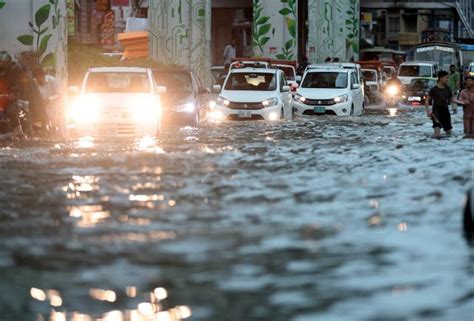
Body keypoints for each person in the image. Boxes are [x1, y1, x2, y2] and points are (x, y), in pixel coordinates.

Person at [424, 71, 463, 138]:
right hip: (436, 113)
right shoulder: (434, 89)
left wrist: (463, 103)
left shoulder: (448, 89)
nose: (447, 80)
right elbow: (427, 100)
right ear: (441, 78)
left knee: (449, 134)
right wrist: (428, 111)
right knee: (437, 135)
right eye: (446, 78)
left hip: (446, 112)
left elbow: (452, 99)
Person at [0, 51, 23, 137]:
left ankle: (18, 131)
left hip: (8, 99)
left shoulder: (14, 72)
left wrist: (13, 94)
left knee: (11, 110)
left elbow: (16, 85)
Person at [34, 68, 62, 134]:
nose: (38, 80)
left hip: (54, 105)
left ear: (42, 76)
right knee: (43, 123)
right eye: (36, 78)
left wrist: (49, 99)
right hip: (42, 106)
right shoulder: (35, 82)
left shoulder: (52, 80)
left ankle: (54, 132)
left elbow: (60, 94)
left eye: (39, 78)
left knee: (54, 122)